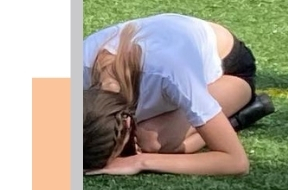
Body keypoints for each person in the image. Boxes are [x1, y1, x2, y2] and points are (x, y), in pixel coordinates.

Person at [83, 13, 275, 176]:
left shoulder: (173, 73)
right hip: (170, 50)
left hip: (229, 70)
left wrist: (139, 161)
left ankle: (236, 118)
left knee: (150, 141)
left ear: (127, 122)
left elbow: (236, 162)